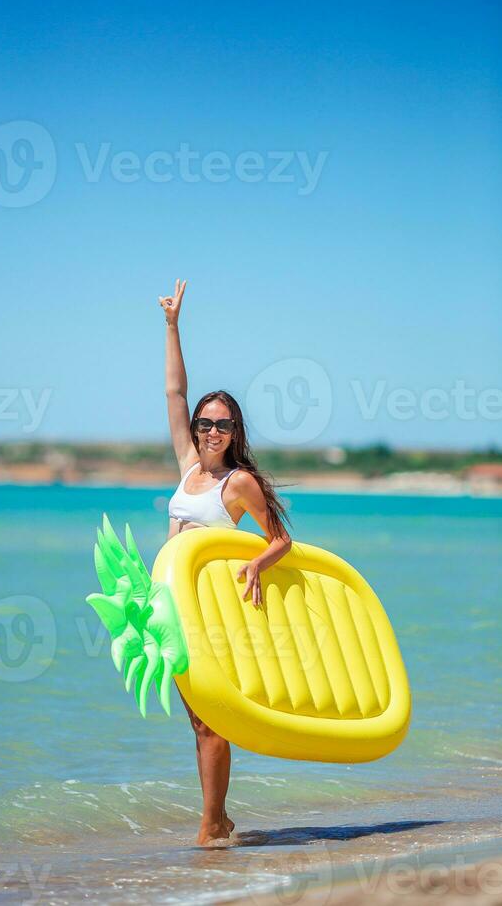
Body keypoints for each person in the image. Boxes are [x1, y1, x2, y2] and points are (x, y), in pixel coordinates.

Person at [158, 278, 293, 846]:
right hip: (167, 606)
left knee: (210, 720)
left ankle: (211, 825)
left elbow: (281, 540)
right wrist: (172, 327)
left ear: (236, 432)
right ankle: (218, 817)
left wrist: (258, 565)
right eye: (205, 422)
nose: (212, 431)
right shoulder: (189, 466)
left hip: (210, 611)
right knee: (197, 721)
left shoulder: (238, 484)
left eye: (223, 424)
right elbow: (173, 392)